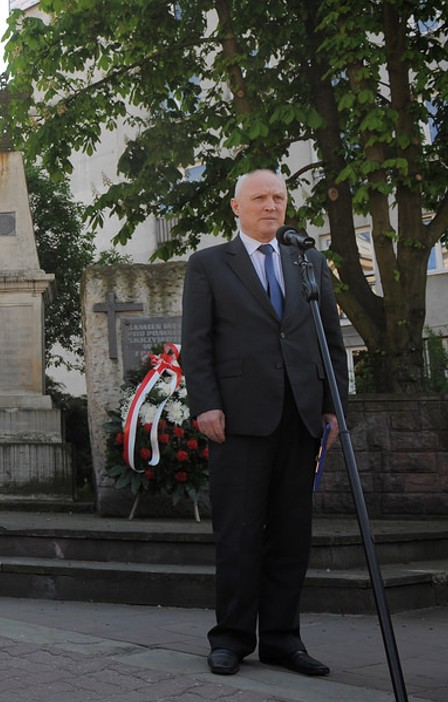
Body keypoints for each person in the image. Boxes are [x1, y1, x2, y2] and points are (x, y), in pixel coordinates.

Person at [181, 169, 348, 678]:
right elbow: (197, 342)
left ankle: (282, 640)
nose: (271, 205)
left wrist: (334, 406)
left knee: (292, 535)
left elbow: (330, 338)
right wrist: (205, 404)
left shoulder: (308, 261)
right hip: (237, 419)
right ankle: (231, 638)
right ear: (237, 207)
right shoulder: (210, 264)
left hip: (300, 417)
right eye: (259, 198)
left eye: (278, 197)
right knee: (239, 533)